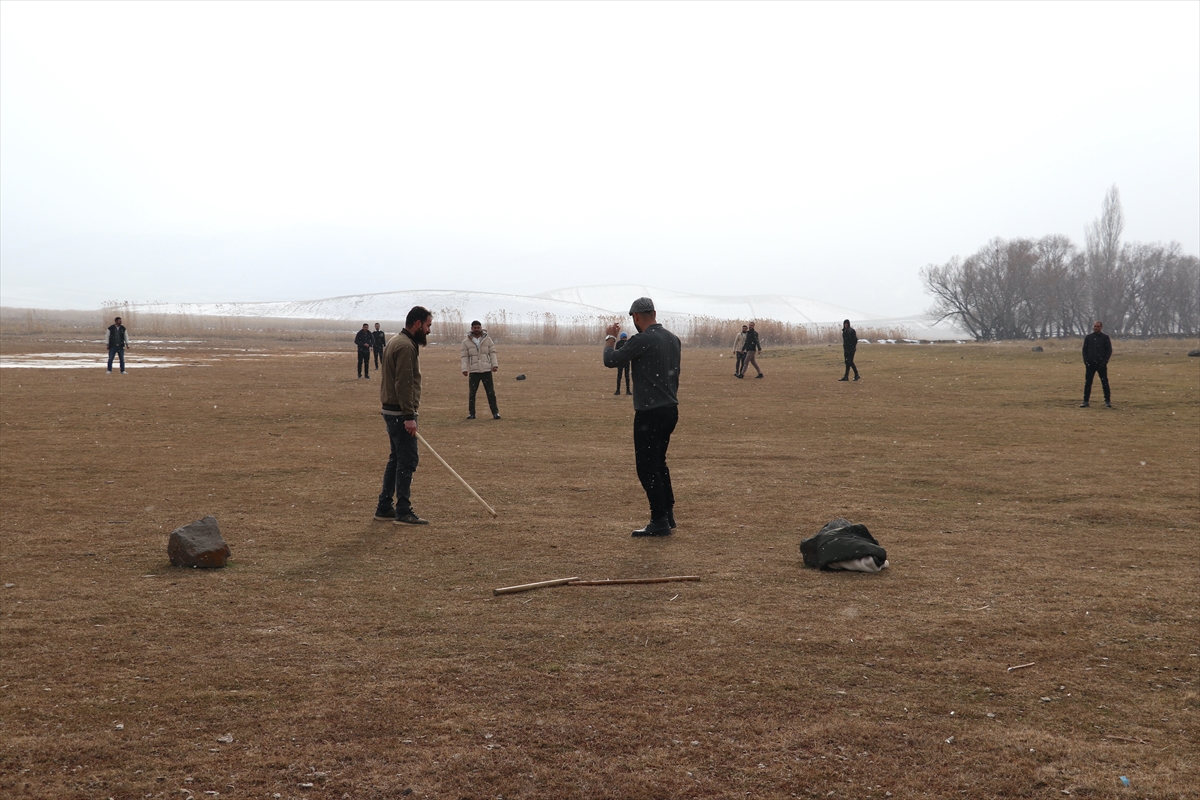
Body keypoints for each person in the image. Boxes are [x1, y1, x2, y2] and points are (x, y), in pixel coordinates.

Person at [603, 297, 682, 537]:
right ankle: (667, 515)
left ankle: (659, 520)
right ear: (654, 313)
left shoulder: (643, 339)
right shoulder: (673, 338)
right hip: (670, 409)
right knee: (659, 463)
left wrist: (610, 338)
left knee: (647, 467)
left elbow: (611, 360)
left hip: (650, 413)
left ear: (636, 317)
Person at [377, 306, 433, 525]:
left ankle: (383, 507)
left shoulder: (395, 341)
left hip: (392, 411)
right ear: (417, 324)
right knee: (407, 460)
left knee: (396, 459)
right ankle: (402, 510)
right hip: (400, 414)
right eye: (428, 325)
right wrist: (409, 415)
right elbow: (404, 383)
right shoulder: (406, 346)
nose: (428, 330)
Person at [461, 320, 501, 420]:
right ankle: (472, 414)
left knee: (491, 393)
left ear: (481, 328)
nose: (477, 329)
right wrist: (464, 369)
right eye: (475, 328)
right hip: (474, 371)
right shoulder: (465, 342)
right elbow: (464, 357)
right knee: (472, 393)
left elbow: (492, 353)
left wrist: (494, 365)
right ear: (471, 328)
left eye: (478, 327)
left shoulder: (488, 340)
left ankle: (495, 413)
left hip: (486, 370)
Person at [1080, 320, 1113, 408]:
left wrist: (1104, 361)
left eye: (1097, 326)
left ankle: (1107, 401)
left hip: (1101, 364)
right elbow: (1084, 350)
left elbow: (1109, 350)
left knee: (1104, 382)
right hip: (1090, 364)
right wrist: (1086, 361)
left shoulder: (1105, 337)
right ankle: (1085, 401)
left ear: (1101, 327)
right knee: (1088, 383)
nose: (1096, 328)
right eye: (1095, 326)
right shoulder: (1088, 337)